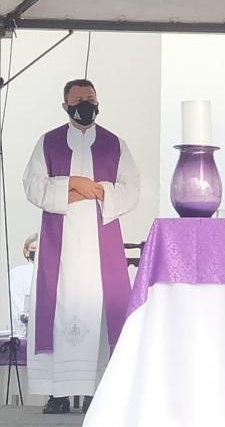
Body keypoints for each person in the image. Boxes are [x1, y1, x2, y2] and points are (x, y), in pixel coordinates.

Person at [22, 79, 140, 414]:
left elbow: (132, 188)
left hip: (101, 247)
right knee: (57, 311)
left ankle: (94, 392)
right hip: (57, 249)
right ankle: (57, 393)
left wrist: (97, 190)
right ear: (65, 106)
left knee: (99, 311)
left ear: (98, 101)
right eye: (77, 100)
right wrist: (74, 185)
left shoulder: (115, 145)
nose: (84, 105)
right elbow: (33, 185)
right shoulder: (48, 142)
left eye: (89, 99)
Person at [8, 233, 38, 338]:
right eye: (34, 248)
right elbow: (17, 302)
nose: (37, 252)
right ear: (26, 252)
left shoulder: (54, 273)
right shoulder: (17, 273)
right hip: (26, 329)